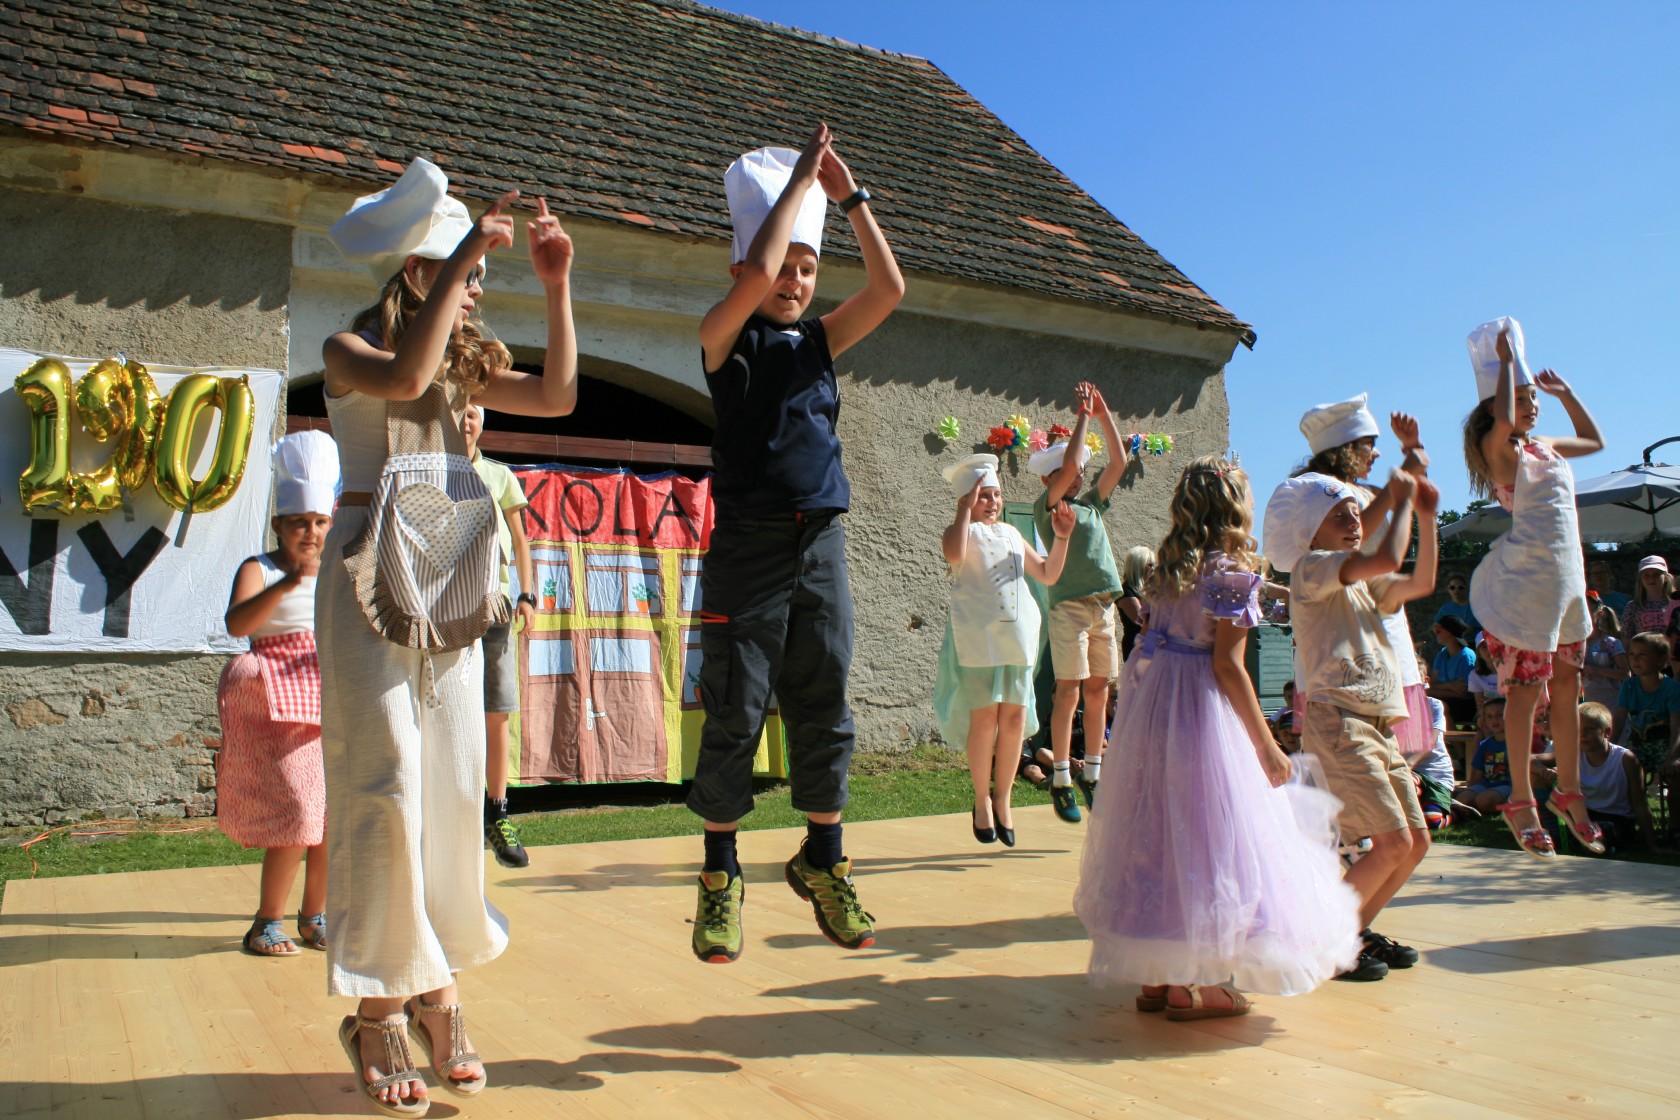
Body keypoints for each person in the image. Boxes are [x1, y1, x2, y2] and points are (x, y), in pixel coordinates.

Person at [320, 157, 578, 1114]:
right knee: (386, 781)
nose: (478, 287)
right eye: (466, 273)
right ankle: (379, 1010)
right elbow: (407, 376)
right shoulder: (349, 348)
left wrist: (556, 288)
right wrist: (468, 247)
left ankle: (439, 990)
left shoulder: (465, 361)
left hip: (448, 558)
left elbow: (557, 397)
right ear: (419, 271)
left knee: (456, 782)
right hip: (367, 567)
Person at [687, 125, 904, 966]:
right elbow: (755, 277)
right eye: (784, 265)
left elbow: (888, 288)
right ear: (746, 265)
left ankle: (824, 857)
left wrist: (849, 199)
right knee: (737, 706)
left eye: (809, 270)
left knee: (825, 700)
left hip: (821, 544)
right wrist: (797, 189)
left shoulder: (818, 341)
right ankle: (719, 872)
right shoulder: (723, 337)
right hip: (749, 548)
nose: (796, 280)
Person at [1074, 456, 1360, 1021]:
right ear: (1233, 505)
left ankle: (1156, 975)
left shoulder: (1167, 569)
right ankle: (1195, 984)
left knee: (1158, 832)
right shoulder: (1230, 573)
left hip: (1153, 711)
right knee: (1210, 836)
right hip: (1201, 711)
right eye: (1247, 494)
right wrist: (1265, 744)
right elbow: (1228, 666)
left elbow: (1151, 640)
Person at [1262, 465, 1439, 983]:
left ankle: (1352, 934)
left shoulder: (1360, 585)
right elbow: (1387, 557)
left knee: (1415, 842)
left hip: (1377, 726)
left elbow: (1420, 581)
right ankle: (1324, 940)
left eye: (1356, 514)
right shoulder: (1311, 569)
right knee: (1391, 844)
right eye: (1339, 516)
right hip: (1342, 723)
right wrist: (1402, 503)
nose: (1355, 522)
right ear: (1309, 532)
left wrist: (1427, 518)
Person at [1462, 317, 1605, 858]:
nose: (1530, 405)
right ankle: (1521, 799)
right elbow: (1502, 418)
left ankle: (1568, 791)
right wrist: (1505, 365)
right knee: (1524, 694)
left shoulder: (1544, 447)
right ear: (1496, 407)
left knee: (1568, 687)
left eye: (1532, 398)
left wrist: (1565, 394)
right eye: (1520, 398)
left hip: (1566, 583)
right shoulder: (1501, 449)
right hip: (1527, 586)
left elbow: (1593, 440)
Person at [218, 431, 338, 958]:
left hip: (328, 695)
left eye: (319, 522)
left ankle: (315, 916)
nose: (310, 532)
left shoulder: (337, 571)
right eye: (299, 523)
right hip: (278, 701)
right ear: (278, 526)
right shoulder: (260, 568)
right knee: (298, 811)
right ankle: (266, 921)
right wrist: (288, 583)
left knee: (330, 818)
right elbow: (238, 624)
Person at [934, 455, 1073, 847]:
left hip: (1017, 637)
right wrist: (964, 511)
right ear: (966, 499)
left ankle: (1003, 798)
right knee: (984, 721)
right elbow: (955, 555)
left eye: (996, 495)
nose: (992, 502)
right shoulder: (959, 532)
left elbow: (1047, 573)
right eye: (983, 496)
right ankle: (981, 799)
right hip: (979, 640)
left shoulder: (1012, 533)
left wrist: (1062, 538)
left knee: (1013, 720)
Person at [1295, 396, 1439, 764]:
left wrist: (1413, 452)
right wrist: (1399, 486)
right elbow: (1360, 537)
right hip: (1344, 624)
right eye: (1368, 445)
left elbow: (1410, 510)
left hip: (1382, 611)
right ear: (1344, 449)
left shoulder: (1370, 492)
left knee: (1392, 740)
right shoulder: (1322, 494)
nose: (1376, 454)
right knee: (1352, 741)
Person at [1031, 381, 1129, 821]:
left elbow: (1119, 462)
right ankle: (1061, 778)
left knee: (1098, 691)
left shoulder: (1090, 505)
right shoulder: (1049, 507)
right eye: (1066, 474)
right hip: (1069, 608)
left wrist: (1104, 414)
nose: (1078, 476)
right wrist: (1083, 416)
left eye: (1079, 474)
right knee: (1069, 689)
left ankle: (1092, 772)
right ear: (1047, 480)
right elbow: (1072, 463)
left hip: (1103, 607)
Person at [462, 403, 537, 870]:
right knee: (446, 710)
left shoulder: (499, 474)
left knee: (497, 709)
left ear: (481, 422)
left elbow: (521, 539)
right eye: (459, 411)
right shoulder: (434, 470)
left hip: (497, 606)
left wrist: (526, 594)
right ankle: (453, 807)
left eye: (472, 413)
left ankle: (498, 812)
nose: (465, 420)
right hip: (447, 610)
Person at [1610, 631, 1680, 827]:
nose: (1635, 660)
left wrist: (1672, 757)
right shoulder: (1628, 686)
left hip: (1665, 744)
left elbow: (1677, 727)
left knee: (1675, 775)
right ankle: (1631, 822)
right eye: (1632, 654)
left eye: (1642, 655)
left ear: (1661, 660)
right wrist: (1610, 747)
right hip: (1638, 744)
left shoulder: (1672, 689)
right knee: (1623, 772)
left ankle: (1675, 826)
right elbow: (1620, 719)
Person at [1577, 702, 1662, 853]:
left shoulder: (1625, 759)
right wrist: (1544, 769)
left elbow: (1640, 803)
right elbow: (1537, 759)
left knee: (1600, 834)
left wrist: (1652, 844)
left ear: (1606, 732)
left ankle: (1599, 842)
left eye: (1589, 729)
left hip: (1617, 817)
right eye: (1578, 730)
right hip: (1586, 815)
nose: (1582, 735)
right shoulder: (1575, 754)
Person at [1462, 698, 1513, 814]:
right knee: (1462, 799)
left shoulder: (1516, 743)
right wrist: (1470, 790)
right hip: (1487, 784)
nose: (1494, 720)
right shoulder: (1485, 744)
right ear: (1484, 721)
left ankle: (1507, 806)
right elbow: (1477, 772)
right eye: (1489, 716)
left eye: (1499, 715)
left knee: (1484, 800)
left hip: (1508, 785)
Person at [1428, 616, 1478, 727]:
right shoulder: (1442, 654)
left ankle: (1453, 739)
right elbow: (1433, 684)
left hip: (1465, 705)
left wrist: (1433, 690)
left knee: (1439, 706)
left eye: (1439, 631)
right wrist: (1449, 685)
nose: (1436, 634)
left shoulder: (1466, 656)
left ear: (1449, 632)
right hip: (1447, 699)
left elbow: (1464, 693)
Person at [1581, 594, 1629, 709]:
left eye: (1588, 611)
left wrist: (1596, 670)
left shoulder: (1611, 643)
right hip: (1586, 702)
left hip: (1610, 702)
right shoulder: (1576, 645)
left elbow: (1625, 673)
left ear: (1600, 614)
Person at [1116, 545, 1154, 662]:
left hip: (1149, 646)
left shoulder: (1147, 590)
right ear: (1139, 566)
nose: (1153, 568)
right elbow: (1141, 620)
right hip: (1136, 647)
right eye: (1150, 565)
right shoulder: (1127, 591)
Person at [1623, 556, 1676, 636]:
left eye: (1656, 575)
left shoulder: (1676, 604)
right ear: (1640, 579)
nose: (1651, 579)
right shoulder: (1632, 607)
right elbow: (1627, 637)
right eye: (1646, 575)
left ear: (1665, 577)